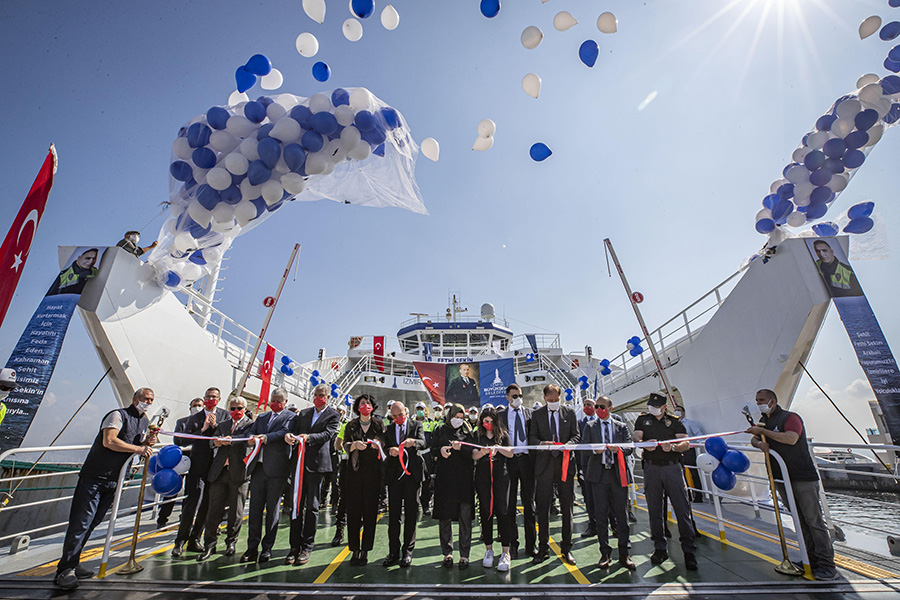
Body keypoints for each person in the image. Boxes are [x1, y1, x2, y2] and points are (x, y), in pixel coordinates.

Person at [54, 388, 157, 590]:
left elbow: (133, 444)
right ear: (135, 399)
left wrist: (146, 443)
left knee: (93, 523)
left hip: (115, 480)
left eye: (151, 400)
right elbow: (109, 441)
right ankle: (64, 570)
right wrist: (139, 448)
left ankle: (73, 562)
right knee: (81, 523)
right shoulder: (117, 415)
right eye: (145, 399)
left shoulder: (144, 421)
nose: (148, 403)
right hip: (95, 477)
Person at [747, 389, 838, 580]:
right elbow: (754, 438)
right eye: (756, 400)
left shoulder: (790, 418)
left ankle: (826, 563)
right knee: (799, 519)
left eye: (761, 400)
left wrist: (763, 432)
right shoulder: (764, 420)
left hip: (801, 476)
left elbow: (791, 438)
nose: (758, 403)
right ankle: (810, 558)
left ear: (772, 401)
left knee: (813, 520)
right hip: (781, 477)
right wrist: (759, 443)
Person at [633, 393, 697, 570]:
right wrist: (644, 443)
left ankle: (689, 551)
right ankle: (660, 548)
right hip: (651, 468)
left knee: (682, 509)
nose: (652, 408)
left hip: (672, 467)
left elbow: (685, 443)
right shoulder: (643, 420)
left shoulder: (674, 421)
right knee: (654, 509)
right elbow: (636, 437)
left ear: (664, 407)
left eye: (656, 406)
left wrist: (674, 447)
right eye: (650, 405)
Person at [284, 384, 340, 565]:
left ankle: (307, 546)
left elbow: (327, 434)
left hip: (316, 466)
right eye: (316, 394)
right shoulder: (304, 413)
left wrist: (308, 437)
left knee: (312, 507)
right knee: (296, 506)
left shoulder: (333, 415)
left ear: (328, 397)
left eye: (321, 395)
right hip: (299, 464)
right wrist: (290, 436)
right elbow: (294, 430)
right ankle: (294, 546)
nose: (318, 397)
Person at [172, 387, 229, 557]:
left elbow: (229, 434)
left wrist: (216, 426)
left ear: (219, 399)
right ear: (204, 399)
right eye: (208, 397)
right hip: (198, 467)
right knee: (191, 504)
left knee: (207, 505)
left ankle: (195, 539)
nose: (211, 400)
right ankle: (180, 541)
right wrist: (202, 430)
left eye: (214, 397)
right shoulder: (194, 418)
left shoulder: (225, 416)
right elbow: (181, 440)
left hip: (216, 468)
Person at [241, 389, 295, 563]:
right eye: (273, 400)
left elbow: (283, 432)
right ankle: (252, 547)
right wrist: (251, 438)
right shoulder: (263, 417)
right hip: (258, 469)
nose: (275, 403)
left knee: (272, 510)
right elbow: (251, 431)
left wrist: (265, 437)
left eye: (279, 401)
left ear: (285, 402)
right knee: (255, 510)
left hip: (277, 471)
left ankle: (267, 548)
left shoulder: (290, 417)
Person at [582, 396, 636, 570]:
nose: (598, 409)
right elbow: (584, 446)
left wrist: (618, 449)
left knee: (622, 514)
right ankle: (604, 553)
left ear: (610, 408)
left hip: (617, 474)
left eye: (602, 407)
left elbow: (629, 446)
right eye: (597, 406)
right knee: (600, 514)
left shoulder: (621, 426)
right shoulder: (590, 426)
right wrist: (594, 450)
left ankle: (624, 553)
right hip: (599, 475)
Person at [198, 395, 253, 561]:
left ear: (244, 409)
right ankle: (209, 545)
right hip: (220, 472)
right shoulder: (223, 425)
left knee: (236, 511)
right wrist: (216, 442)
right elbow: (211, 442)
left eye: (239, 408)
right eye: (233, 408)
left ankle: (231, 542)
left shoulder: (250, 425)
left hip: (239, 473)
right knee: (213, 510)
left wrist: (231, 440)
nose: (236, 411)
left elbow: (247, 440)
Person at [529, 384, 580, 565]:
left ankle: (566, 548)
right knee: (543, 508)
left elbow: (576, 436)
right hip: (544, 465)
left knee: (567, 508)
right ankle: (543, 548)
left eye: (556, 399)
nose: (553, 402)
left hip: (565, 464)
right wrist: (542, 443)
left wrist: (568, 445)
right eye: (550, 400)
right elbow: (532, 437)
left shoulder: (570, 413)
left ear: (560, 397)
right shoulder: (537, 415)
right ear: (544, 398)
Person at [342, 394, 385, 565]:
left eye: (368, 403)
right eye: (362, 403)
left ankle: (366, 549)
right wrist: (354, 445)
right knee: (353, 513)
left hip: (373, 475)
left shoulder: (379, 424)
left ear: (373, 406)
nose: (365, 406)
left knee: (370, 513)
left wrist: (377, 444)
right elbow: (345, 444)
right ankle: (354, 549)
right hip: (354, 473)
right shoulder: (351, 425)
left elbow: (384, 442)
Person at [432, 403, 476, 569]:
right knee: (445, 517)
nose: (458, 420)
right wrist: (440, 451)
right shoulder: (440, 430)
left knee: (465, 518)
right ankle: (447, 553)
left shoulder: (467, 431)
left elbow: (473, 452)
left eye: (461, 417)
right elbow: (432, 449)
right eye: (456, 417)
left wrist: (461, 448)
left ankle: (464, 555)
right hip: (445, 480)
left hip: (464, 480)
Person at [383, 401, 426, 568]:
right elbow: (383, 447)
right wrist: (390, 451)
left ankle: (408, 551)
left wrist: (413, 442)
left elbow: (423, 442)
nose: (397, 418)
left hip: (412, 477)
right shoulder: (388, 429)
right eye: (394, 416)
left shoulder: (416, 425)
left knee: (411, 514)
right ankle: (393, 552)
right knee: (393, 516)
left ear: (406, 413)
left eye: (400, 415)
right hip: (394, 478)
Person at [472, 407, 514, 572]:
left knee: (503, 512)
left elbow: (510, 453)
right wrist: (482, 452)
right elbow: (473, 455)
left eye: (491, 421)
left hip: (500, 477)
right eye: (485, 421)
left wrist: (499, 448)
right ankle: (488, 549)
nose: (488, 424)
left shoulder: (503, 435)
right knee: (486, 511)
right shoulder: (477, 436)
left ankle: (506, 552)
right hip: (483, 477)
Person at [157, 397, 203, 529]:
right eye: (194, 405)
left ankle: (186, 516)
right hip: (181, 459)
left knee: (192, 490)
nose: (197, 408)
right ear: (190, 408)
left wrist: (190, 439)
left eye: (199, 405)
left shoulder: (205, 422)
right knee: (173, 487)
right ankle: (163, 517)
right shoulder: (182, 422)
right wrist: (196, 436)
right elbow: (178, 441)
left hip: (197, 460)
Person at [504, 383, 536, 560]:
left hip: (526, 461)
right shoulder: (501, 416)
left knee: (529, 504)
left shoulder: (530, 414)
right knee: (509, 506)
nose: (518, 399)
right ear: (508, 397)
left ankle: (531, 545)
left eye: (520, 396)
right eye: (515, 396)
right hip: (509, 462)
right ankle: (512, 545)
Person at [577, 398, 598, 538]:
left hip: (603, 464)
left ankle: (614, 525)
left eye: (589, 405)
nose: (586, 407)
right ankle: (593, 525)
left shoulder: (604, 421)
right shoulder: (580, 424)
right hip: (587, 465)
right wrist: (580, 467)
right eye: (584, 405)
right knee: (589, 497)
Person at [675, 404, 705, 502]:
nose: (677, 412)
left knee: (693, 473)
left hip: (689, 450)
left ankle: (698, 496)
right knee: (681, 473)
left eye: (679, 410)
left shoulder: (689, 423)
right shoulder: (673, 424)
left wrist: (695, 444)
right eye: (675, 410)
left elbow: (699, 435)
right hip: (677, 450)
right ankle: (687, 495)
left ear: (683, 412)